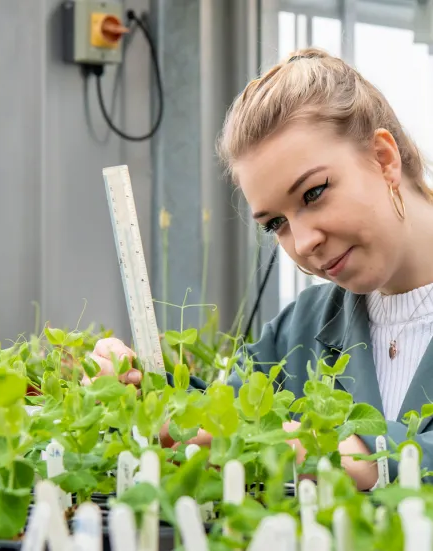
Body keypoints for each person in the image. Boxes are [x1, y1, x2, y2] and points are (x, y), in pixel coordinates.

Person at [87, 47, 433, 491]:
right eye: (277, 224)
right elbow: (215, 420)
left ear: (383, 158)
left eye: (313, 193)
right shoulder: (299, 330)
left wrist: (346, 453)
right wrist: (140, 393)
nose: (304, 242)